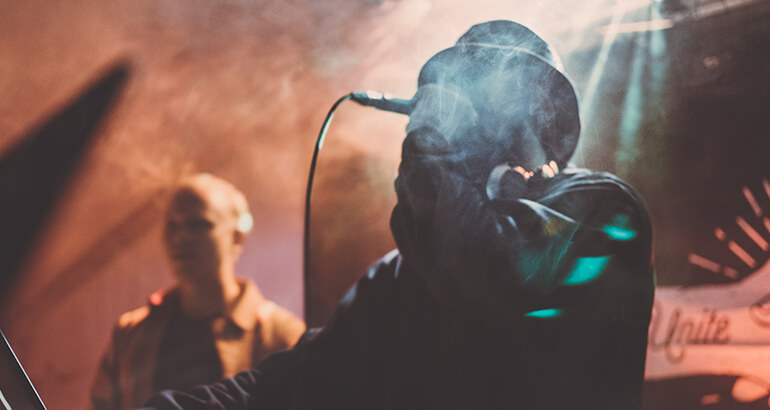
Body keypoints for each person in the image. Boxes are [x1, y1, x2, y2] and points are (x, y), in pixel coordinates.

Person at [144, 20, 655, 410]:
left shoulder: (603, 210)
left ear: (540, 110)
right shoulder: (400, 275)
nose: (461, 108)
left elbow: (484, 269)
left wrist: (430, 147)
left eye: (482, 87)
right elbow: (288, 388)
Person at [90, 173, 306, 410]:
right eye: (172, 225)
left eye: (199, 224)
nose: (180, 237)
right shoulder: (131, 334)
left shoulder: (281, 335)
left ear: (236, 237)